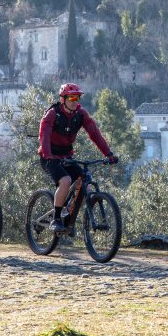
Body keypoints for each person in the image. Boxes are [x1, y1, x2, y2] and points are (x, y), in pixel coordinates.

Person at [38, 83, 117, 232]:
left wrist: (108, 154)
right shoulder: (52, 114)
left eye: (77, 98)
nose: (75, 101)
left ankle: (68, 217)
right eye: (71, 97)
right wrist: (48, 155)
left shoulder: (81, 114)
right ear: (63, 99)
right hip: (49, 157)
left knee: (85, 184)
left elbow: (95, 134)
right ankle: (55, 219)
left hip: (67, 157)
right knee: (66, 180)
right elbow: (44, 136)